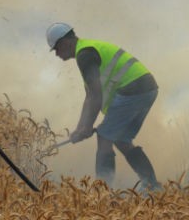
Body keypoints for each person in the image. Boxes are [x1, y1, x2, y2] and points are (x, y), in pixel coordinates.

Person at [46, 22, 160, 190]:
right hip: (147, 89)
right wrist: (81, 128)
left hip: (133, 89)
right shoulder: (87, 50)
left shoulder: (85, 55)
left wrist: (87, 128)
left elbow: (96, 96)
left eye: (56, 49)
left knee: (104, 137)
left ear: (65, 42)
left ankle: (103, 194)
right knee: (122, 140)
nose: (56, 54)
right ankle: (153, 186)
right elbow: (89, 97)